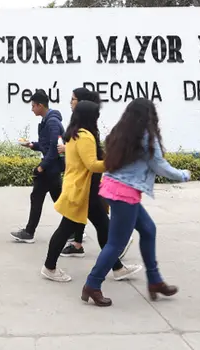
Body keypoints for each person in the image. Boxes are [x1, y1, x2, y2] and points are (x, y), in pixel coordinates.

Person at [81, 98, 191, 307]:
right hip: (125, 194)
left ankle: (155, 281)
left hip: (112, 188)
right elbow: (160, 165)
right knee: (116, 243)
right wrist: (184, 175)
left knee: (148, 229)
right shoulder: (146, 136)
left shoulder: (120, 132)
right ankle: (92, 284)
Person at [40, 100, 130, 283]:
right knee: (65, 230)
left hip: (82, 190)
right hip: (82, 191)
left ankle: (118, 268)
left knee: (104, 227)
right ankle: (49, 267)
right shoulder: (85, 136)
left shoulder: (74, 134)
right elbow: (92, 164)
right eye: (96, 114)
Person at [59, 88, 136, 267]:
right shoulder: (80, 128)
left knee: (75, 226)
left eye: (73, 99)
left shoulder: (85, 131)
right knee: (97, 223)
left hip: (88, 183)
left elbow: (93, 160)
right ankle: (114, 264)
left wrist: (113, 162)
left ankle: (52, 264)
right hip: (84, 184)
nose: (71, 102)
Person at [10, 89, 64, 243]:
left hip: (49, 168)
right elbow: (46, 145)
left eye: (33, 106)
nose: (32, 109)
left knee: (38, 197)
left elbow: (54, 147)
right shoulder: (47, 120)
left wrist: (41, 167)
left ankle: (29, 232)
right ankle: (75, 229)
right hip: (51, 168)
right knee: (60, 200)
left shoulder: (52, 121)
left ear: (40, 105)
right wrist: (32, 145)